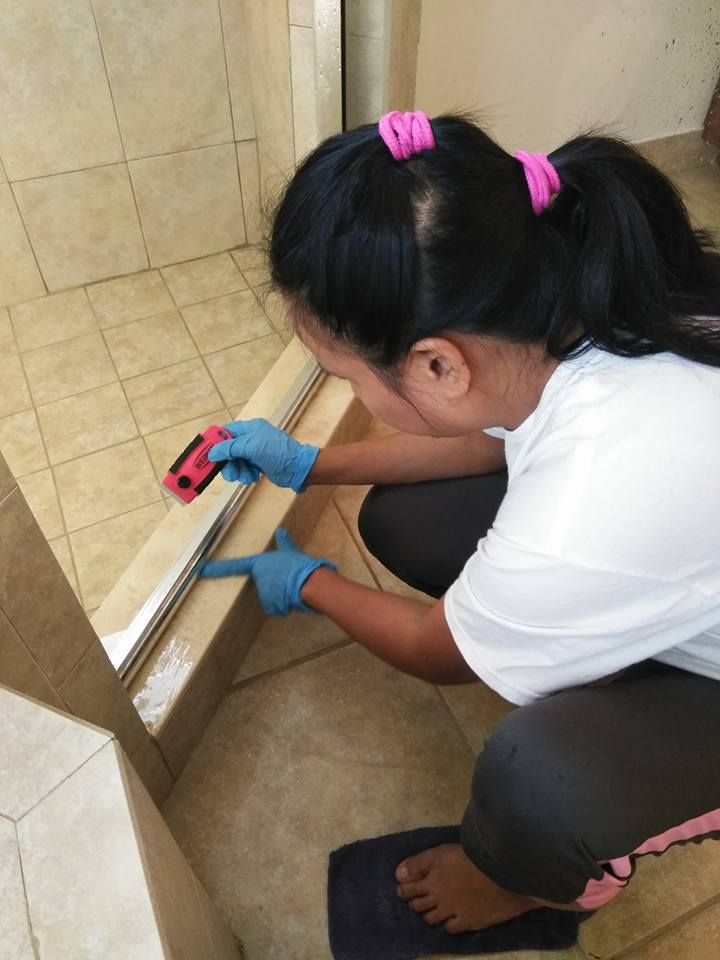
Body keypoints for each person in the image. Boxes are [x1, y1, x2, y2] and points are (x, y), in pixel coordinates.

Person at [201, 111, 720, 933]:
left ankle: (542, 883)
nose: (350, 397)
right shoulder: (582, 289)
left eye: (343, 376)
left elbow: (434, 652)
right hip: (680, 557)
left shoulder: (594, 500)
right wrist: (310, 464)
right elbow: (494, 440)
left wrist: (309, 583)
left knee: (536, 777)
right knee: (407, 521)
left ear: (438, 363)